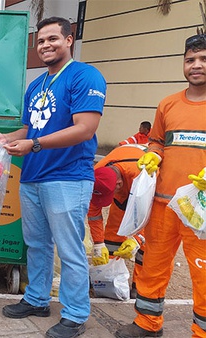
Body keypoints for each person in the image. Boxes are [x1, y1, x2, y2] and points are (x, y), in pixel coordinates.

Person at [0, 17, 106, 338]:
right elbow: (30, 129)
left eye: (53, 38)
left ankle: (76, 314)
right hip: (33, 176)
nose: (46, 45)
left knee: (69, 249)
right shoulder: (37, 85)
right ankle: (37, 299)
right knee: (36, 244)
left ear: (69, 39)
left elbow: (85, 128)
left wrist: (33, 144)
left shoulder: (85, 76)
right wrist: (5, 139)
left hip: (68, 177)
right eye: (40, 41)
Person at [115, 34, 206, 338]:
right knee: (152, 266)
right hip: (163, 205)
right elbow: (156, 142)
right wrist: (152, 156)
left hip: (201, 211)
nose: (196, 65)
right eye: (190, 59)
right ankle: (147, 323)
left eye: (203, 59)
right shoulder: (167, 104)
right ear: (183, 63)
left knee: (204, 275)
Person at [88, 144, 147, 299]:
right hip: (124, 191)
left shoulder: (142, 175)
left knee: (149, 245)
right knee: (113, 237)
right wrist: (98, 243)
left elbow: (151, 213)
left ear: (119, 185)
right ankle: (109, 278)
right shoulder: (97, 176)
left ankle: (140, 286)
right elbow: (93, 213)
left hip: (145, 195)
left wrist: (137, 238)